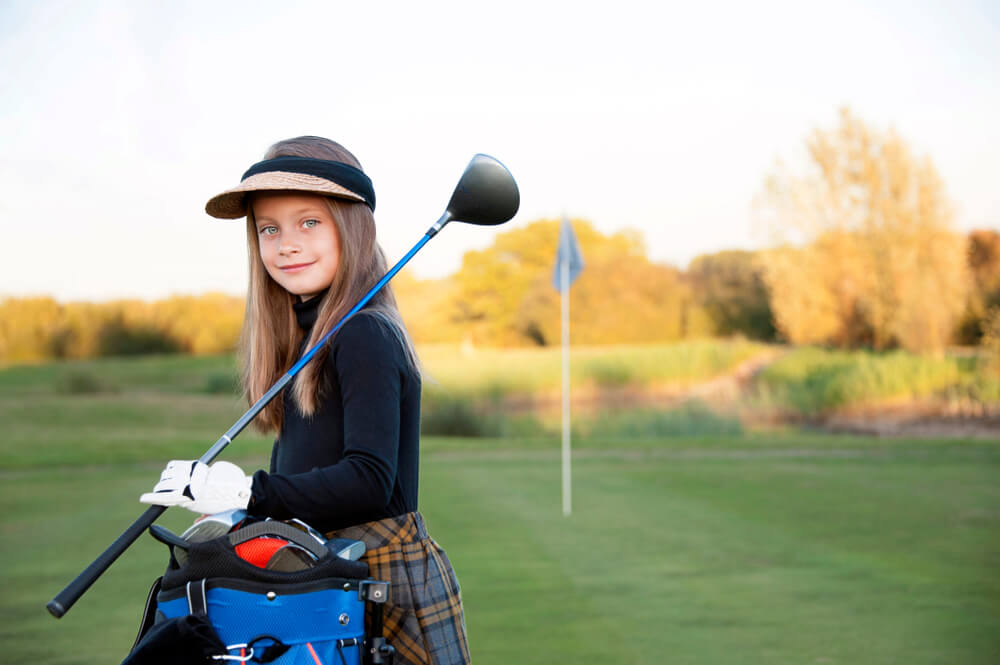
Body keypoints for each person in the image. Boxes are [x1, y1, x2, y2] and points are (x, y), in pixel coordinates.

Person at [140, 136, 471, 665]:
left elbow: (367, 480)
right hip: (326, 575)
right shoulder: (305, 336)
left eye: (309, 222)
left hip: (380, 580)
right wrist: (238, 511)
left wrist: (249, 492)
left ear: (353, 226)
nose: (286, 243)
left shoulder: (363, 332)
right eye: (269, 228)